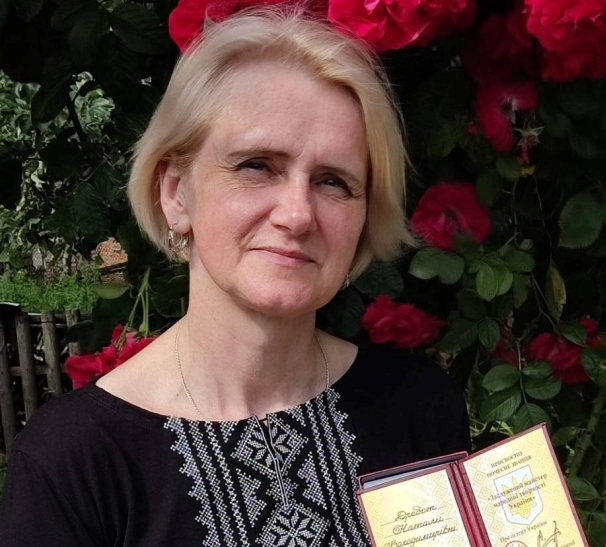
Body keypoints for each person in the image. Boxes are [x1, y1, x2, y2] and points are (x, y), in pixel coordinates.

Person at [0, 8, 470, 546]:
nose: (297, 214)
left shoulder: (419, 409)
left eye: (333, 182)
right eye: (256, 165)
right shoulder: (73, 463)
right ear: (176, 193)